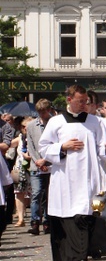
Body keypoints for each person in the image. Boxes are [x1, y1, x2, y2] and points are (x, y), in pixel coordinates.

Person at [38, 85, 106, 261]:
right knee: (68, 220)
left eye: (86, 102)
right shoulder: (56, 122)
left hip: (88, 177)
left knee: (85, 217)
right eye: (80, 101)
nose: (84, 105)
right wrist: (62, 147)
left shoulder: (95, 122)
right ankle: (77, 259)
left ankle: (81, 259)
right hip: (65, 179)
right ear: (69, 100)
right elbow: (43, 147)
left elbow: (101, 149)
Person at [26, 99, 53, 235]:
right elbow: (30, 146)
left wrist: (47, 161)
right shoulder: (31, 126)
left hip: (51, 165)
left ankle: (47, 221)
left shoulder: (54, 123)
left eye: (44, 111)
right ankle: (35, 221)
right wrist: (38, 161)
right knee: (36, 193)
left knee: (49, 195)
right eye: (39, 112)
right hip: (36, 165)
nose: (42, 114)